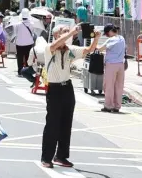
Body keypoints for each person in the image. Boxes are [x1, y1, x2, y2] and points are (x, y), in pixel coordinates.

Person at [41, 25, 100, 168]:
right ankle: (46, 157)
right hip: (54, 89)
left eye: (68, 31)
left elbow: (88, 50)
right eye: (64, 32)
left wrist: (96, 38)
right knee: (52, 124)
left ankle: (61, 156)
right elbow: (56, 45)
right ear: (56, 35)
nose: (67, 34)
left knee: (66, 124)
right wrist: (72, 32)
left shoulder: (70, 50)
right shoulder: (50, 48)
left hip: (67, 88)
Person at [99, 24, 126, 113]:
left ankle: (108, 106)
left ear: (110, 31)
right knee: (118, 86)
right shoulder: (122, 38)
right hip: (121, 65)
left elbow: (100, 49)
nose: (107, 35)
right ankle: (117, 106)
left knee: (109, 86)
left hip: (111, 65)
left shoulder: (111, 39)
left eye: (106, 33)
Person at [13, 9, 37, 75]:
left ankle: (20, 71)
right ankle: (26, 71)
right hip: (29, 43)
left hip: (19, 43)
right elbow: (32, 32)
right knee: (28, 57)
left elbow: (15, 33)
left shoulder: (17, 24)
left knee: (19, 57)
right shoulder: (32, 24)